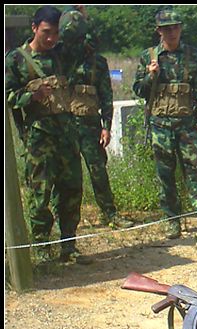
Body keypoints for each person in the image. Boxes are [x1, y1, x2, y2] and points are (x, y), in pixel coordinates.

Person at [132, 9, 197, 242]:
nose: (172, 32)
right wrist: (150, 76)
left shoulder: (192, 56)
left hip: (186, 124)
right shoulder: (149, 56)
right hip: (160, 125)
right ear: (159, 31)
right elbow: (139, 90)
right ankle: (172, 220)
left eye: (175, 27)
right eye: (167, 28)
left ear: (181, 28)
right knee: (165, 173)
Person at [5, 6, 85, 263]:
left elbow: (85, 40)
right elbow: (8, 95)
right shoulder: (17, 59)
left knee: (71, 190)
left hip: (67, 136)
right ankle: (42, 247)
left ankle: (68, 245)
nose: (51, 39)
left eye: (56, 33)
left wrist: (77, 14)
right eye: (46, 32)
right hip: (39, 140)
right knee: (40, 194)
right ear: (34, 28)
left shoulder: (62, 54)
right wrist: (32, 96)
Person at [61, 8, 134, 230]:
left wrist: (106, 126)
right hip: (64, 125)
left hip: (90, 125)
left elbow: (106, 96)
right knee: (65, 175)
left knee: (98, 171)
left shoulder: (97, 63)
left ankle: (110, 213)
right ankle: (61, 220)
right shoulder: (59, 59)